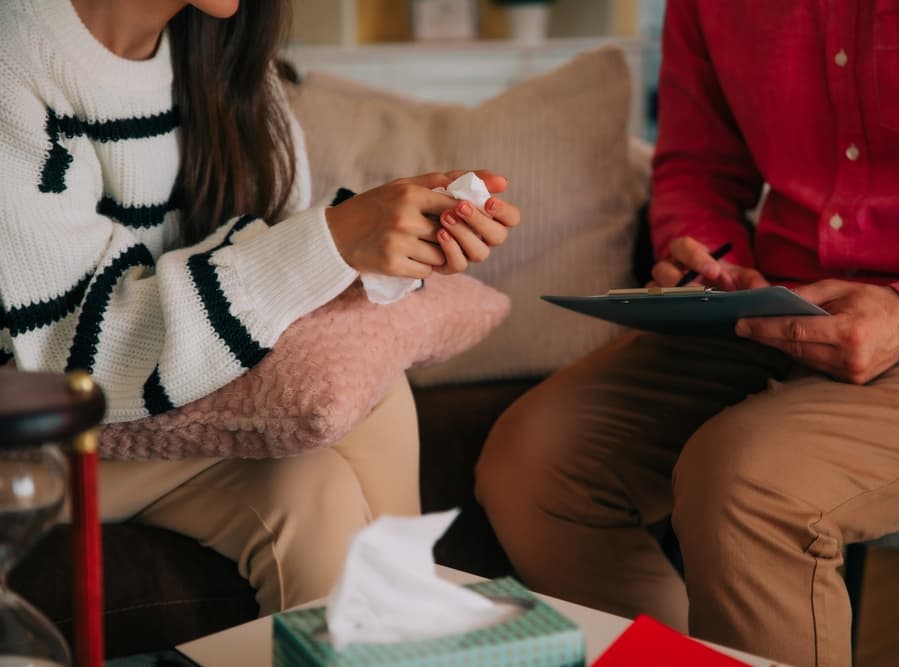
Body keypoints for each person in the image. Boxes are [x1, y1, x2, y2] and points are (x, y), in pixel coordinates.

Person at [475, 2, 899, 666]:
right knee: (533, 462)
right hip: (780, 306)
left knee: (748, 484)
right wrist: (704, 256)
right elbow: (698, 168)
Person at [0, 0, 520, 615]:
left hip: (151, 419)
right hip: (34, 438)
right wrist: (332, 241)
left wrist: (381, 248)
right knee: (365, 396)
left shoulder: (232, 63)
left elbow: (276, 280)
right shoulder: (20, 57)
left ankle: (415, 640)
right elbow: (67, 354)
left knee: (312, 492)